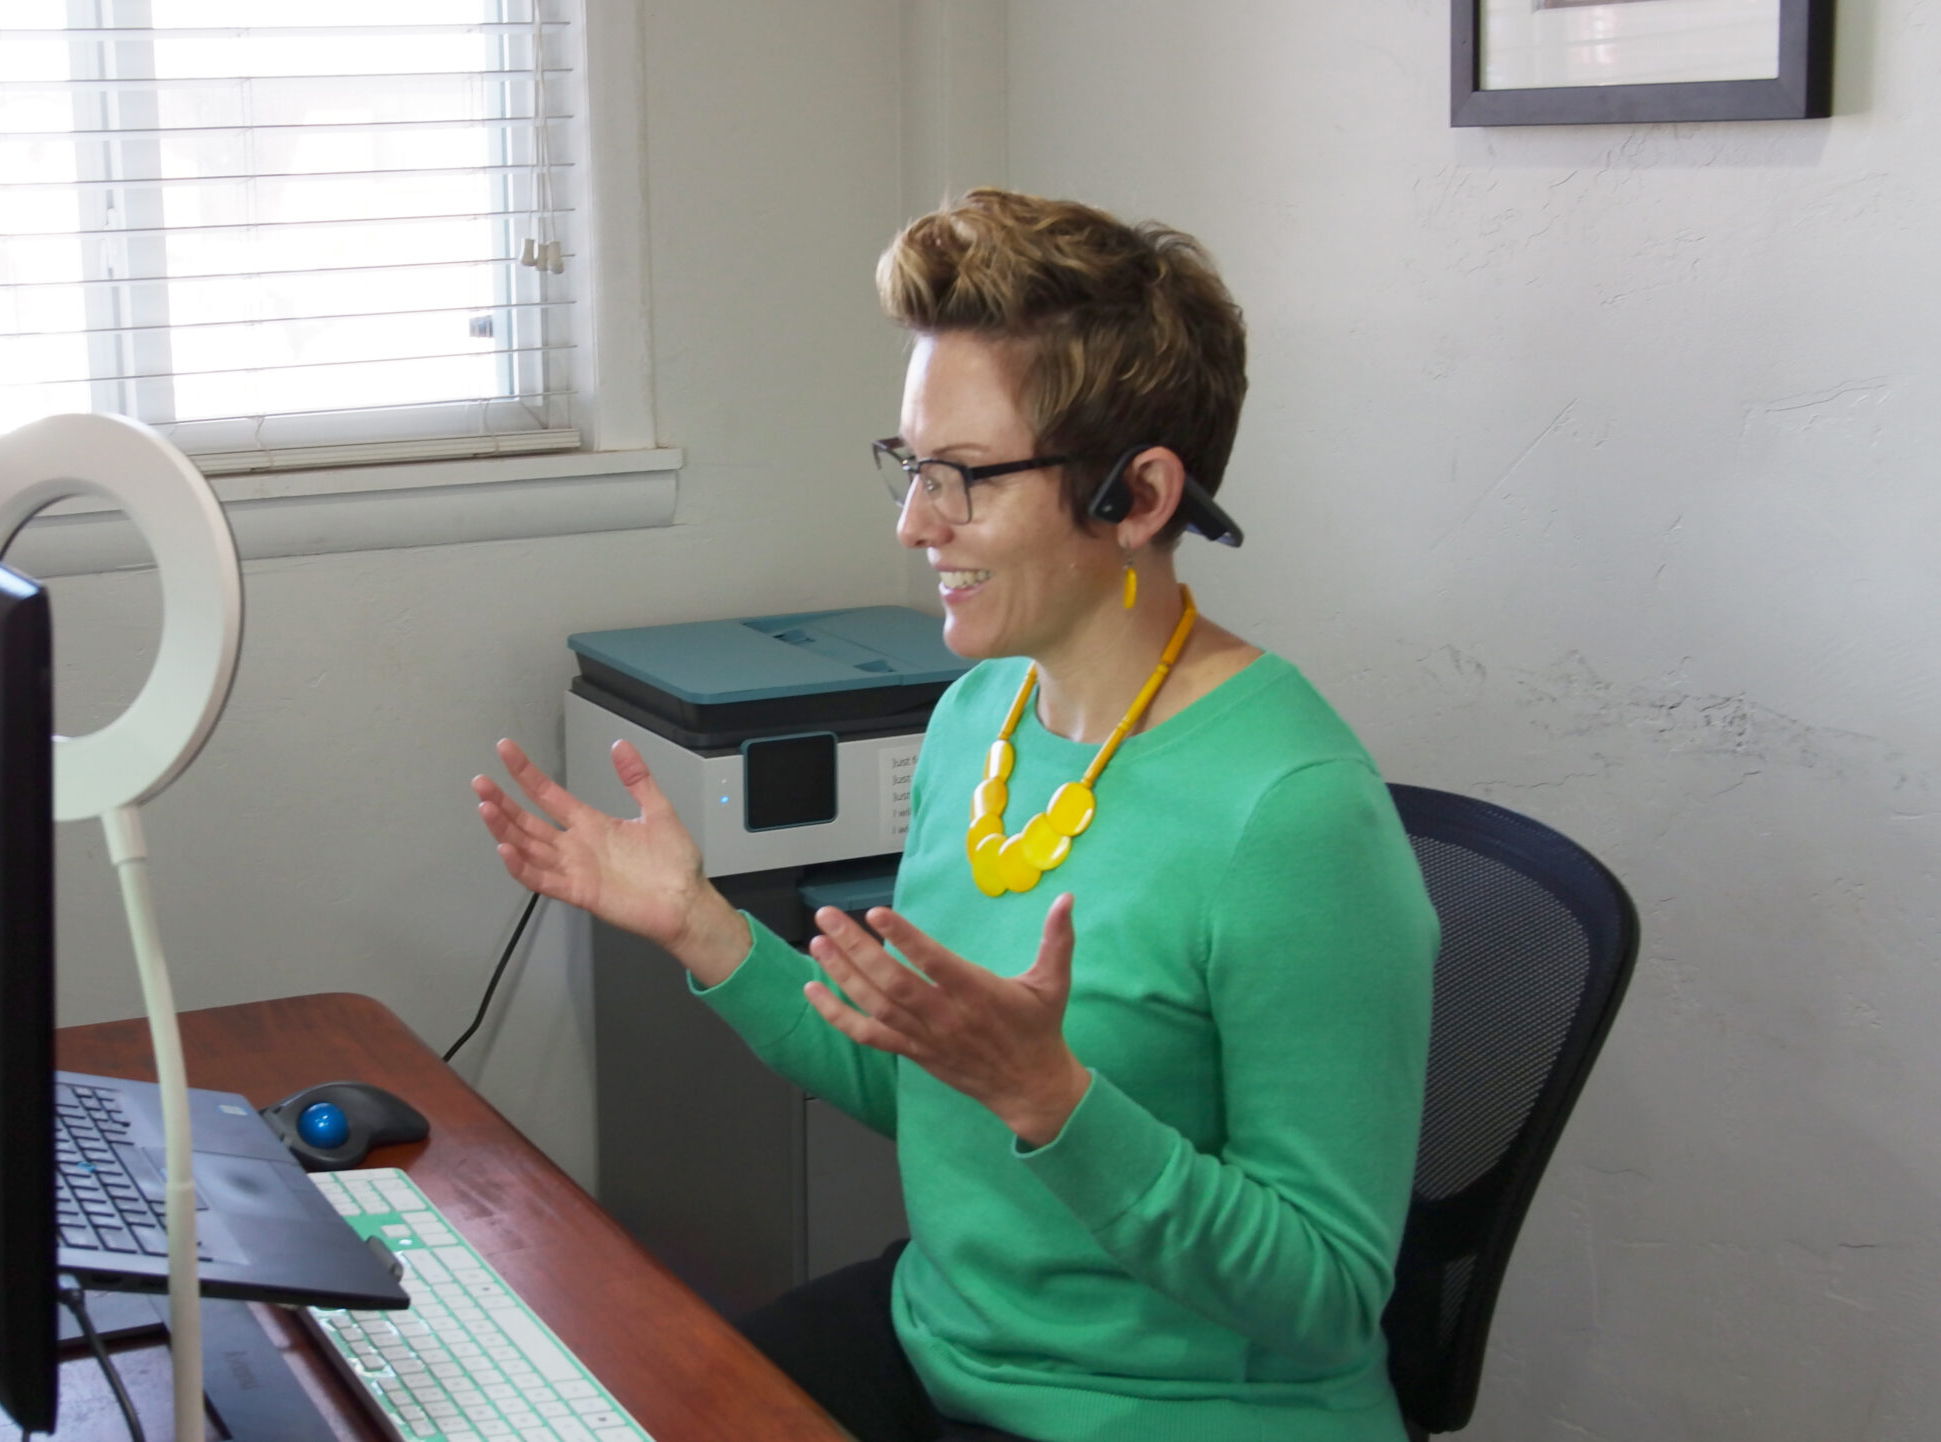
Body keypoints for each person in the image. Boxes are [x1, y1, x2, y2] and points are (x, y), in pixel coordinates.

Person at [473, 189, 1437, 1442]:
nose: (913, 522)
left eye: (965, 477)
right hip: (947, 1336)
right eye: (911, 465)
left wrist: (1054, 1099)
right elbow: (927, 1095)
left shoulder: (1294, 819)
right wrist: (696, 923)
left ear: (1138, 494)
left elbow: (1323, 1292)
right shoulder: (980, 716)